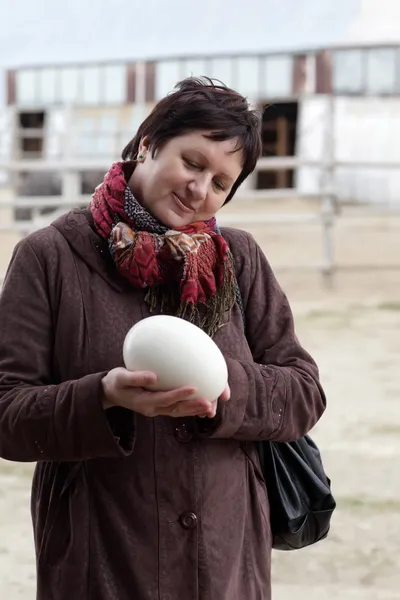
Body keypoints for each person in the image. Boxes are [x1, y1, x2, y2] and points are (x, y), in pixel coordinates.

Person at [0, 77, 326, 600]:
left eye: (221, 182)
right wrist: (103, 397)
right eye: (192, 163)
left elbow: (304, 392)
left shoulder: (238, 258)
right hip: (99, 560)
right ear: (148, 142)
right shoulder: (49, 257)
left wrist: (225, 389)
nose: (201, 189)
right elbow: (7, 415)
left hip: (225, 561)